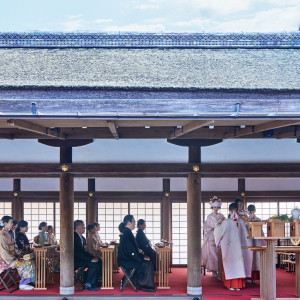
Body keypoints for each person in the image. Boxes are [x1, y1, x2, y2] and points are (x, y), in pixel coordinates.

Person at [117, 215, 155, 292]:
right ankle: (145, 284)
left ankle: (144, 283)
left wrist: (140, 252)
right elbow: (131, 251)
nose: (135, 224)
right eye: (133, 222)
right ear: (128, 223)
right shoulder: (126, 233)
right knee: (147, 263)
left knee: (147, 262)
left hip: (127, 258)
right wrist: (142, 257)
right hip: (125, 261)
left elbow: (132, 249)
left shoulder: (128, 232)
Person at [214, 203, 247, 291]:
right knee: (239, 265)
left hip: (229, 248)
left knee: (230, 265)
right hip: (240, 248)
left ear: (230, 210)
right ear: (237, 210)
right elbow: (246, 235)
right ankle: (238, 285)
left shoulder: (226, 222)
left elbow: (217, 231)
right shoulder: (242, 222)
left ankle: (231, 285)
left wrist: (219, 222)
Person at [0, 216, 35, 290]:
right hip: (5, 260)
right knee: (25, 264)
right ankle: (22, 284)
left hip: (12, 257)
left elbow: (13, 248)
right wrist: (14, 259)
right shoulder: (2, 235)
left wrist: (18, 257)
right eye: (11, 222)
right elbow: (3, 252)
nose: (12, 224)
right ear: (5, 223)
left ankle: (25, 281)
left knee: (28, 262)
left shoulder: (8, 233)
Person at [74, 220, 101, 291]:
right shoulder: (74, 236)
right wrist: (90, 259)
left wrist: (92, 257)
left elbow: (84, 252)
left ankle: (93, 281)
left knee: (97, 260)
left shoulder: (81, 237)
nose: (84, 227)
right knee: (93, 263)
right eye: (83, 226)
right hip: (74, 260)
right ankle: (88, 284)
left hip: (80, 258)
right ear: (78, 227)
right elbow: (76, 253)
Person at [202, 196, 225, 278]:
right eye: (214, 207)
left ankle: (220, 269)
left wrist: (220, 224)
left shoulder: (221, 215)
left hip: (220, 236)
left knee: (220, 253)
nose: (216, 208)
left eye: (217, 207)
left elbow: (223, 226)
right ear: (212, 207)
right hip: (212, 236)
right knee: (213, 254)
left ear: (219, 207)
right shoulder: (209, 216)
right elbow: (206, 226)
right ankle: (214, 271)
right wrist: (213, 227)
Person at [247, 204, 262, 282]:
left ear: (247, 211)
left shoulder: (246, 220)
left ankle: (249, 278)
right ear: (255, 210)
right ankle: (254, 279)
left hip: (248, 242)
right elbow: (261, 233)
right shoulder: (259, 219)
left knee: (249, 258)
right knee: (256, 258)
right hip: (257, 242)